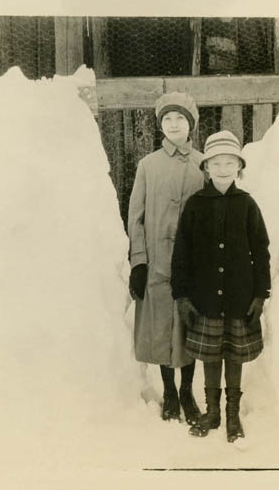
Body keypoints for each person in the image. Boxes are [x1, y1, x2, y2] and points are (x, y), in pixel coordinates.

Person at [171, 130, 271, 443]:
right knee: (211, 355)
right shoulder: (195, 205)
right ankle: (211, 412)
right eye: (217, 163)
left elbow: (261, 250)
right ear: (206, 167)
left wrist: (260, 294)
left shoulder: (247, 204)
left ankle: (232, 415)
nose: (223, 169)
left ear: (239, 168)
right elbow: (182, 252)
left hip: (240, 297)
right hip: (204, 299)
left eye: (230, 163)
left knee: (234, 356)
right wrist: (182, 295)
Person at [127, 92, 205, 424]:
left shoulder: (204, 164)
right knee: (160, 328)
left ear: (191, 125)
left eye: (181, 119)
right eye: (168, 119)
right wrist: (139, 262)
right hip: (157, 263)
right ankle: (169, 391)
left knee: (190, 329)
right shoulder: (148, 165)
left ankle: (187, 391)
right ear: (161, 125)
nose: (174, 125)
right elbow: (136, 217)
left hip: (193, 266)